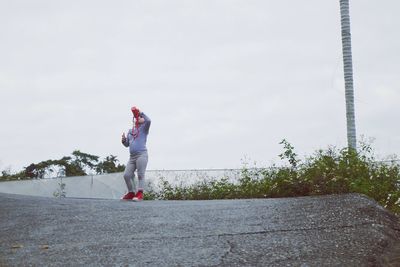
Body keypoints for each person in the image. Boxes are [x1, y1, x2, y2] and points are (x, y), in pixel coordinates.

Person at [121, 106, 151, 201]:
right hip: (132, 157)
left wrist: (140, 113)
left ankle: (140, 193)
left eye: (140, 118)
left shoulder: (144, 129)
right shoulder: (130, 131)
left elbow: (148, 120)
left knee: (140, 174)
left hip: (142, 155)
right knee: (126, 175)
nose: (138, 119)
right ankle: (131, 192)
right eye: (136, 118)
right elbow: (127, 145)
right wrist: (124, 141)